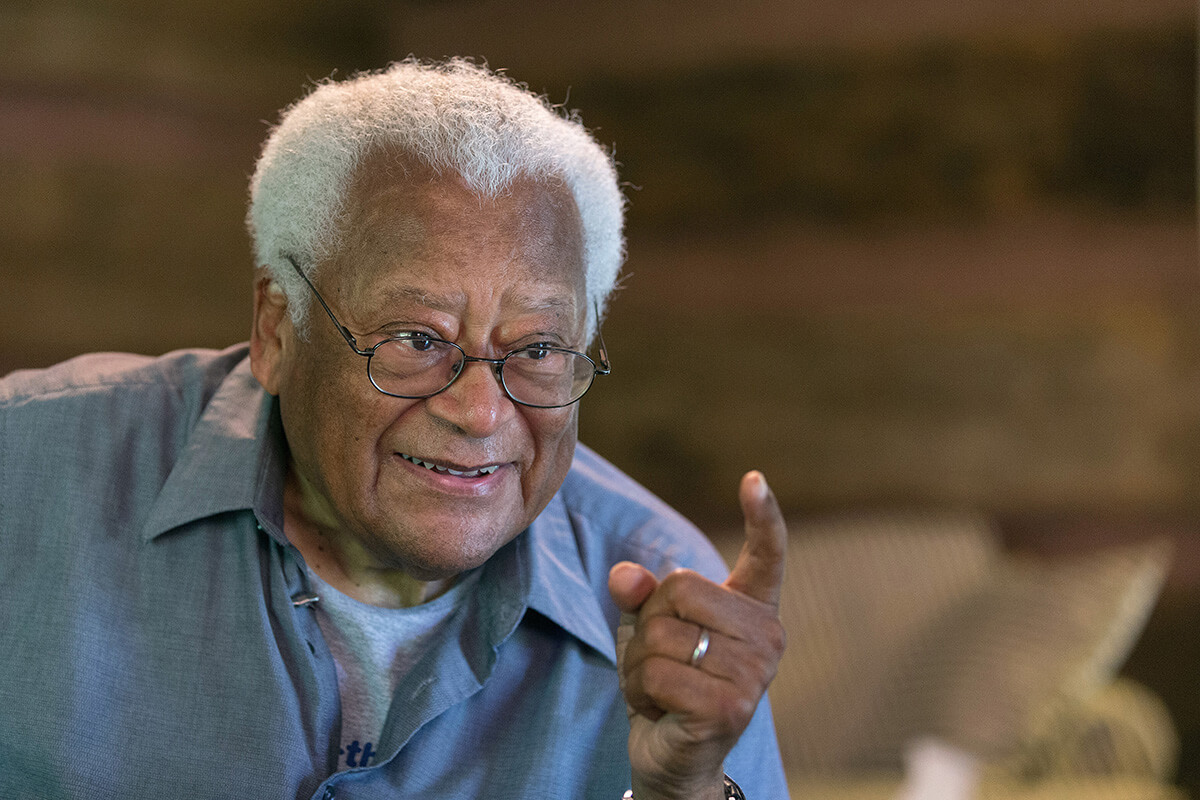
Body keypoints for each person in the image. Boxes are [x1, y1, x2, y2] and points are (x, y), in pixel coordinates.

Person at [0, 58, 788, 799]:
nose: (481, 413)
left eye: (539, 349)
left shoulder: (668, 604)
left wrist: (682, 791)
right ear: (277, 330)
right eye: (417, 341)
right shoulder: (25, 469)